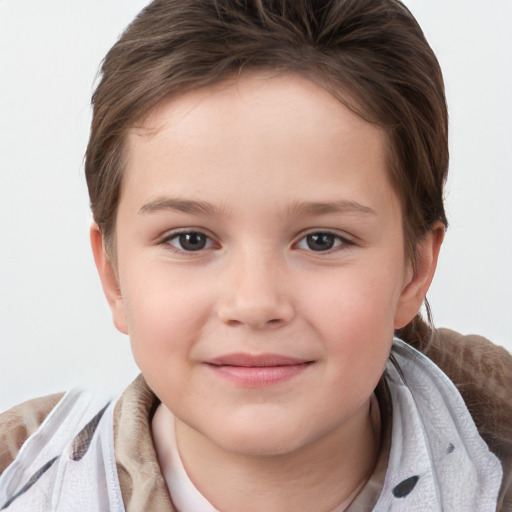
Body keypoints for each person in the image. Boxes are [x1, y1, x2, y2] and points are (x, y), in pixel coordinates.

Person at [0, 0, 511, 510]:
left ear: (414, 272)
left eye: (321, 240)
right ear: (113, 276)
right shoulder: (19, 481)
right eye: (190, 239)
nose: (254, 303)